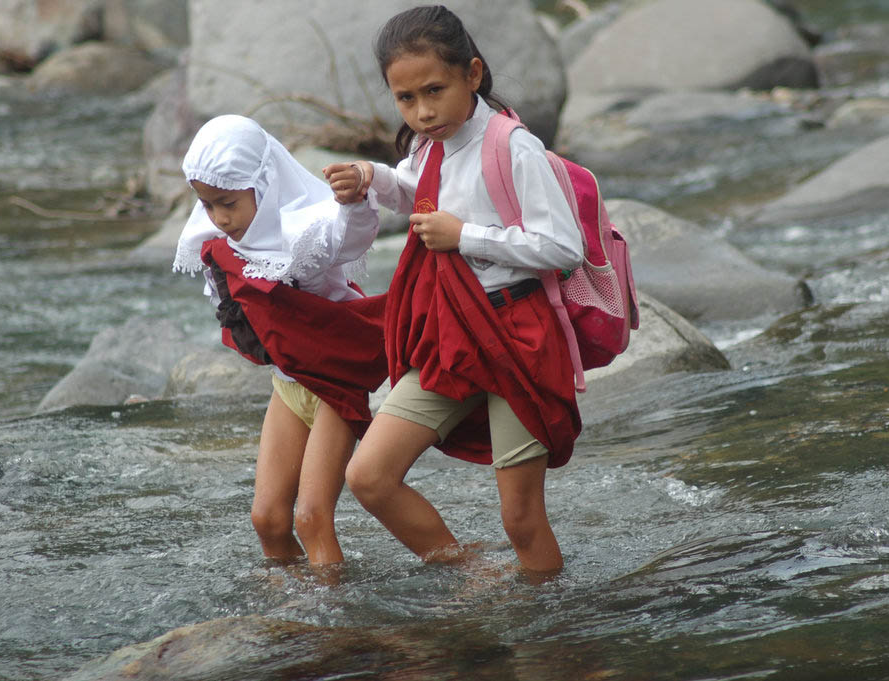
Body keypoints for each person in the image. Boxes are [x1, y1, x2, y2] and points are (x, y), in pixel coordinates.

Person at [322, 5, 583, 577]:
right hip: (452, 336)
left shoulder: (513, 147)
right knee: (370, 476)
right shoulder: (426, 145)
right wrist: (373, 178)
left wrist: (467, 237)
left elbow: (564, 246)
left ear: (473, 72)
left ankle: (557, 636)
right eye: (406, 99)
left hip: (518, 337)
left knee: (521, 520)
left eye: (434, 90)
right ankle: (471, 574)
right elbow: (416, 191)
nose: (423, 111)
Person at [174, 114, 386, 567]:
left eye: (227, 202)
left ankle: (331, 623)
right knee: (268, 519)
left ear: (264, 183)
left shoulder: (304, 230)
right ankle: (286, 612)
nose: (219, 217)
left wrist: (354, 204)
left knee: (311, 517)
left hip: (333, 382)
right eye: (207, 205)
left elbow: (346, 236)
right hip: (289, 385)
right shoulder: (221, 241)